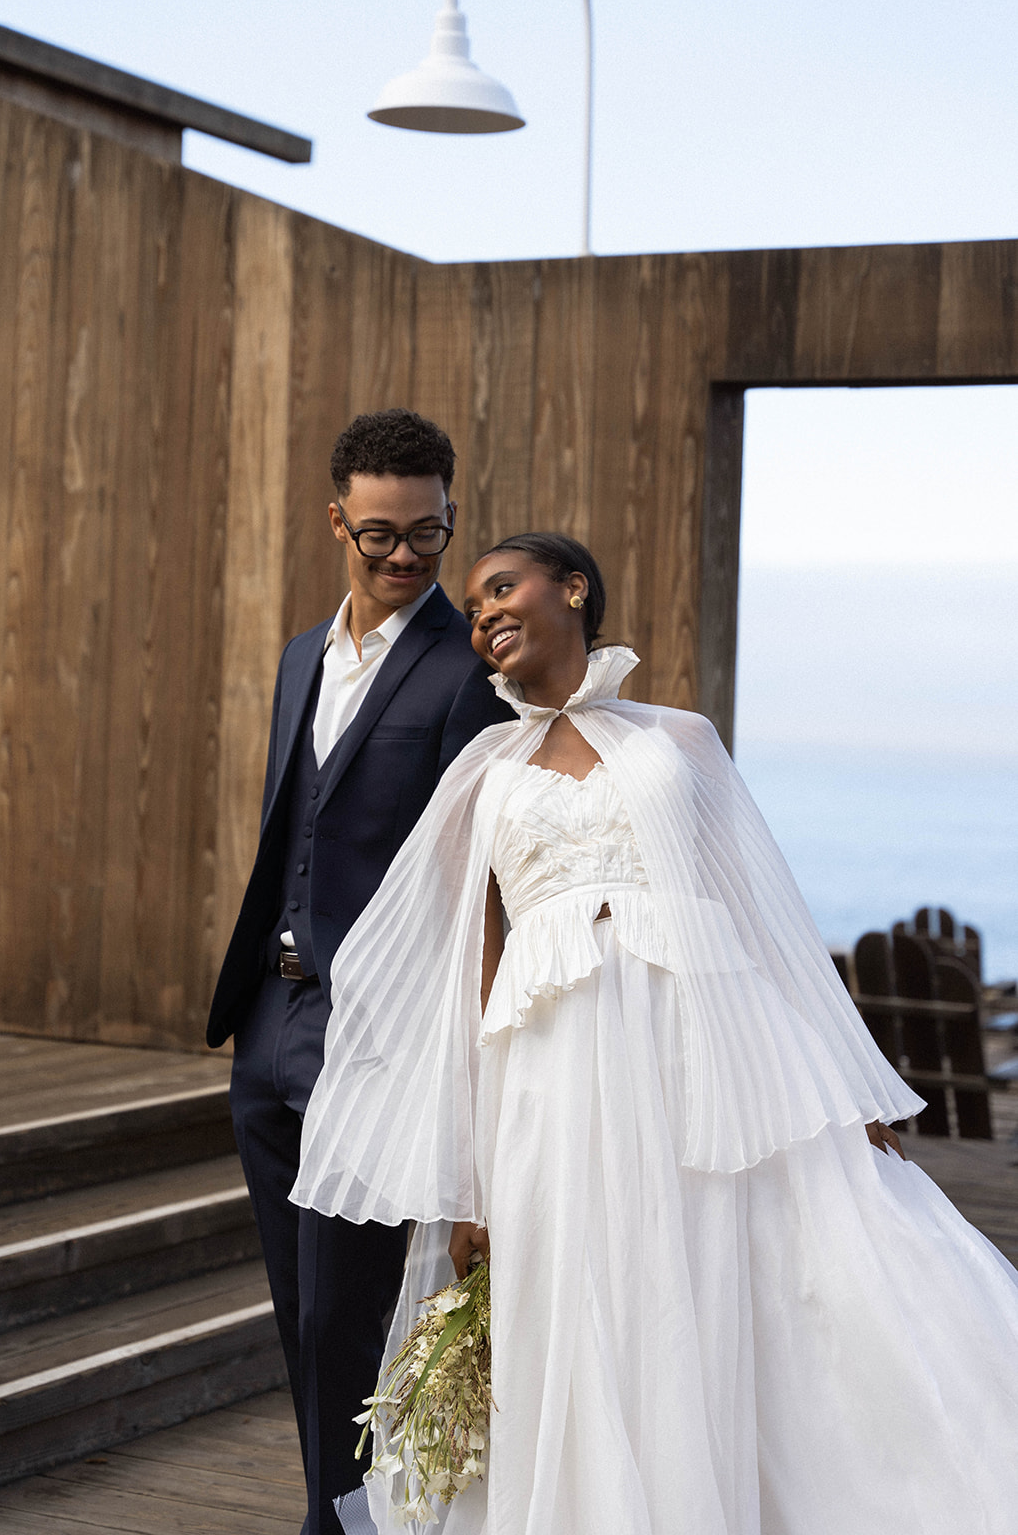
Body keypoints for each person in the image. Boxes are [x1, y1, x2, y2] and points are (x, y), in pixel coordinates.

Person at [292, 531, 1018, 1535]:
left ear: (573, 589)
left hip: (705, 1050)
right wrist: (469, 1173)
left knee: (773, 1272)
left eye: (503, 586)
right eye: (472, 605)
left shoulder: (679, 741)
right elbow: (478, 966)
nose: (485, 612)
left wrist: (844, 1088)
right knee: (581, 1299)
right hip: (550, 1070)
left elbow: (769, 923)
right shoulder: (482, 774)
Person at [206, 410, 511, 1535]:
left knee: (350, 1309)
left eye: (425, 536)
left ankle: (340, 1526)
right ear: (336, 518)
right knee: (296, 1310)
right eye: (377, 532)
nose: (400, 557)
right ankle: (331, 1512)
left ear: (448, 519)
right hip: (269, 1025)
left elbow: (480, 872)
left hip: (375, 1034)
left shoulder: (464, 671)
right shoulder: (301, 655)